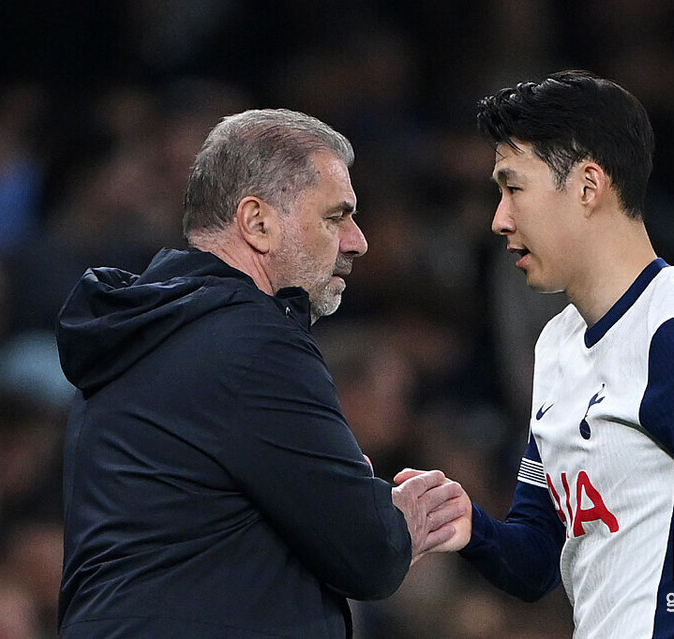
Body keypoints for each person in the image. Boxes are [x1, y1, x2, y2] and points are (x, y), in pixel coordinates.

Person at [399, 71, 674, 637]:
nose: (498, 218)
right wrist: (470, 528)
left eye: (513, 187)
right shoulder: (555, 344)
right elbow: (539, 558)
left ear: (588, 186)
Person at [55, 109, 465, 638]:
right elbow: (369, 550)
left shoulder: (138, 336)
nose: (357, 241)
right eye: (335, 217)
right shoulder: (255, 340)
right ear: (258, 222)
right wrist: (399, 517)